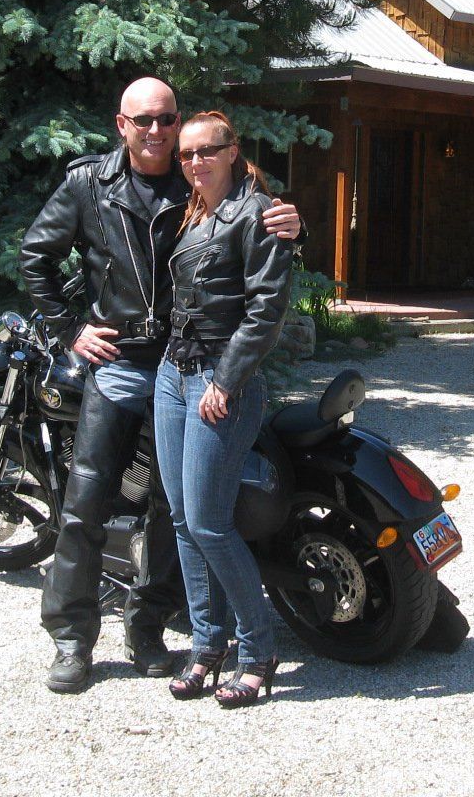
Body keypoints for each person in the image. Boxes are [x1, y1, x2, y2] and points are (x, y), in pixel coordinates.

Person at [18, 79, 300, 694]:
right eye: (144, 119)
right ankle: (72, 639)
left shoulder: (194, 176)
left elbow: (254, 231)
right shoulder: (89, 183)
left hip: (187, 363)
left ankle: (151, 627)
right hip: (120, 362)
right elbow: (36, 255)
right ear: (121, 124)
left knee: (178, 508)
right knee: (87, 500)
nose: (158, 131)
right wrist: (70, 330)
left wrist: (291, 220)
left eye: (167, 119)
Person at [155, 111, 294, 709]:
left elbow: (266, 307)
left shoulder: (256, 212)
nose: (194, 162)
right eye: (186, 154)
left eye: (207, 151)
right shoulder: (192, 210)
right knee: (184, 521)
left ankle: (257, 648)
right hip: (171, 375)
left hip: (219, 383)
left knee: (211, 523)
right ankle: (207, 647)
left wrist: (229, 381)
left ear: (233, 152)